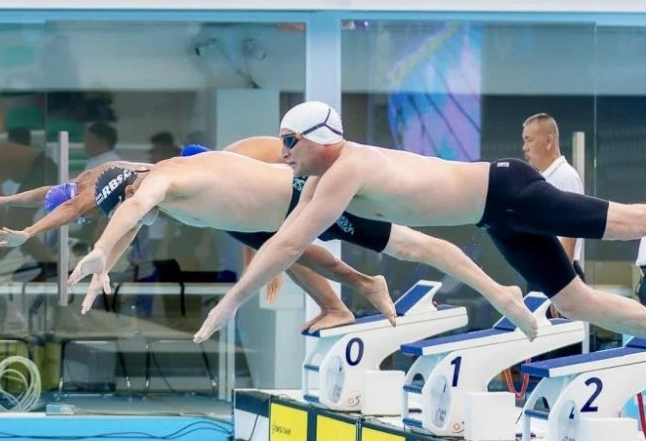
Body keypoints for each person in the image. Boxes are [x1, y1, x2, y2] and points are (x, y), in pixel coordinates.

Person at [192, 100, 646, 344]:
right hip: (495, 220)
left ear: (319, 140)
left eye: (290, 141)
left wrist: (230, 303)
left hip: (507, 191)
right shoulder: (318, 181)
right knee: (577, 304)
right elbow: (282, 240)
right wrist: (238, 294)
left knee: (628, 223)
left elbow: (291, 246)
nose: (283, 152)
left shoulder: (347, 169)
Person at [63, 138, 538, 339]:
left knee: (414, 244)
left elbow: (135, 209)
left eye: (122, 202)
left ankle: (501, 292)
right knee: (322, 260)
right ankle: (368, 287)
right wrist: (105, 260)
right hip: (287, 219)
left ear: (131, 185)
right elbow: (132, 219)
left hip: (308, 199)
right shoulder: (155, 190)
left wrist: (100, 248)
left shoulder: (163, 180)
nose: (127, 210)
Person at [0, 158, 398, 332]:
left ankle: (348, 295)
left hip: (228, 193)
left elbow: (71, 210)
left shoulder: (93, 194)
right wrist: (1, 202)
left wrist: (29, 234)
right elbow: (51, 197)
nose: (84, 215)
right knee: (294, 247)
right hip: (222, 195)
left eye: (85, 214)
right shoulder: (94, 179)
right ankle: (352, 292)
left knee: (298, 243)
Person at [521, 113, 586, 278]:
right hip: (543, 272)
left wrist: (562, 282)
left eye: (529, 140)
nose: (524, 147)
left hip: (560, 274)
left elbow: (570, 232)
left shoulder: (566, 176)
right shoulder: (541, 179)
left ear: (549, 141)